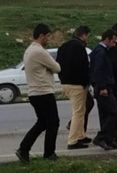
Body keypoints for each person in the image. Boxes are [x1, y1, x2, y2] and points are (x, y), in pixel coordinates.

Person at [15, 24, 61, 163]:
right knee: (53, 122)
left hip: (35, 92)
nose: (49, 39)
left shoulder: (29, 50)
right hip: (43, 92)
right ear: (41, 36)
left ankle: (24, 149)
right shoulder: (39, 51)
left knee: (42, 123)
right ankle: (49, 153)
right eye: (48, 36)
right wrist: (50, 69)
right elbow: (57, 68)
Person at [56, 25, 92, 150]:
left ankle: (81, 135)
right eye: (87, 36)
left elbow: (58, 65)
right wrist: (86, 81)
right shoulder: (79, 47)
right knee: (78, 112)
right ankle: (73, 140)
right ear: (83, 35)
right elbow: (83, 66)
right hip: (77, 84)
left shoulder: (63, 46)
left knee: (80, 111)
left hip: (65, 83)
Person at [90, 29, 117, 151]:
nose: (114, 44)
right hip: (103, 87)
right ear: (107, 39)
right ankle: (101, 137)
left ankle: (108, 140)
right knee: (114, 113)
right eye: (113, 41)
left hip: (103, 86)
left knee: (106, 114)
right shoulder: (101, 52)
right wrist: (102, 87)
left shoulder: (100, 50)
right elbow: (98, 70)